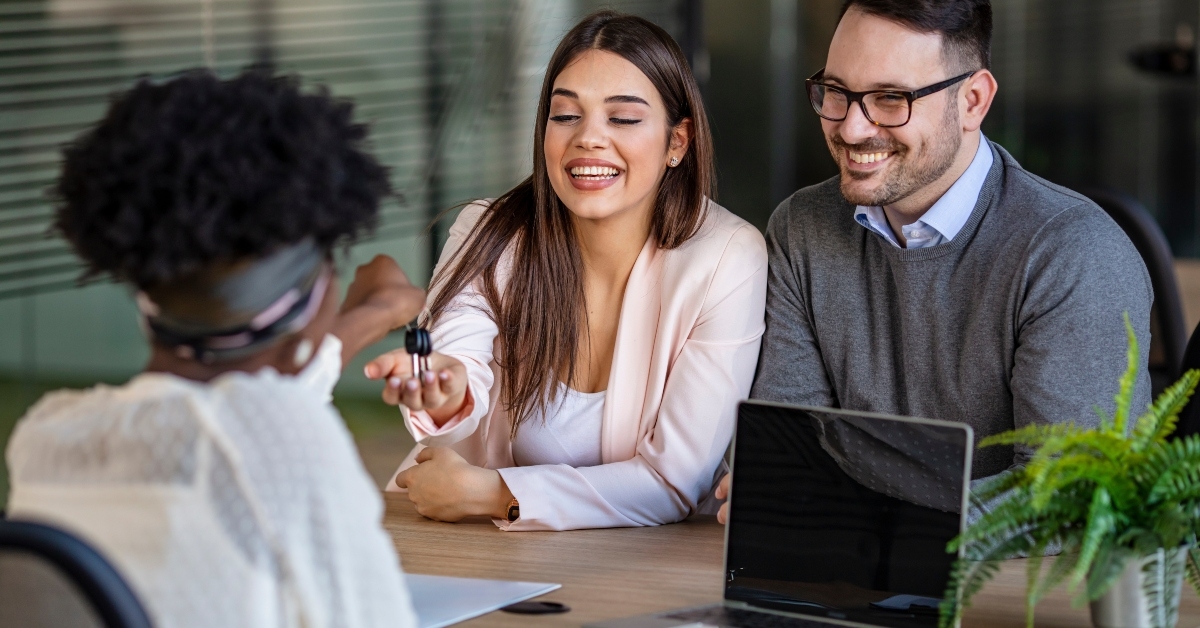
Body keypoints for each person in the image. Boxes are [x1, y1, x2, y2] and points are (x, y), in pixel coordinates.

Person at [6, 70, 423, 627]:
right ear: (316, 292)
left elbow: (235, 411)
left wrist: (369, 317)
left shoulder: (47, 436)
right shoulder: (281, 445)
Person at [715, 0, 1152, 522]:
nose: (852, 129)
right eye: (837, 92)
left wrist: (854, 518)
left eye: (890, 98)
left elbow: (1071, 496)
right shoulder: (801, 229)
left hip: (1014, 593)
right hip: (840, 578)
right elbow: (784, 455)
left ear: (972, 101)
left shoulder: (1073, 253)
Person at [364, 10, 768, 531]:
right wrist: (445, 391)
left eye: (622, 118)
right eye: (565, 115)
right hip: (468, 545)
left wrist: (499, 495)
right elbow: (455, 367)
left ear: (677, 142)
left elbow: (673, 481)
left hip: (644, 566)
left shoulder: (727, 256)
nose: (589, 139)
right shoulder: (489, 231)